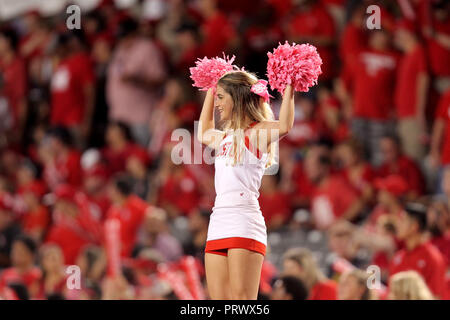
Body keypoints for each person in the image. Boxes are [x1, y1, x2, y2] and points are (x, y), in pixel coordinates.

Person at [197, 70, 293, 300]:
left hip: (243, 219)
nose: (217, 103)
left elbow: (285, 126)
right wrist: (211, 87)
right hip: (218, 219)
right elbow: (202, 132)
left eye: (221, 97)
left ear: (237, 97)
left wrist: (290, 84)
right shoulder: (225, 137)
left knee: (242, 301)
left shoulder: (257, 131)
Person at [389, 202, 447, 299]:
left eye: (402, 220)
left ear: (414, 226)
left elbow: (436, 296)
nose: (398, 224)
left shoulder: (433, 257)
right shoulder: (398, 256)